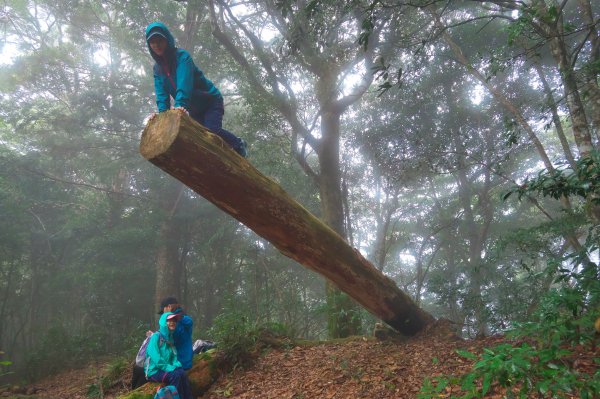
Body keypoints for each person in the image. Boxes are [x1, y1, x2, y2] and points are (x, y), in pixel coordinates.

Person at [145, 21, 247, 157]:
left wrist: (180, 104)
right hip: (193, 108)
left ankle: (238, 144)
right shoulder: (157, 69)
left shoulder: (182, 57)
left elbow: (184, 82)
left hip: (210, 100)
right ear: (149, 45)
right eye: (152, 42)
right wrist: (163, 117)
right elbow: (161, 94)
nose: (156, 45)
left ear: (167, 39)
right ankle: (227, 157)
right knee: (203, 138)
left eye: (160, 40)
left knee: (212, 131)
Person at [145, 312, 194, 399]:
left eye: (174, 320)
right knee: (175, 375)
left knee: (181, 372)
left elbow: (173, 356)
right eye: (169, 320)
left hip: (165, 368)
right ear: (164, 322)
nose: (172, 322)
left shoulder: (170, 338)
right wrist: (169, 368)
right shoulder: (156, 337)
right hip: (154, 371)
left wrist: (176, 365)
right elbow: (155, 357)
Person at [157, 297, 194, 370]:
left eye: (163, 311)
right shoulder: (183, 318)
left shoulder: (176, 323)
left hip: (177, 363)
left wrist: (167, 315)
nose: (163, 314)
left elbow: (167, 339)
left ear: (169, 307)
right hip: (185, 361)